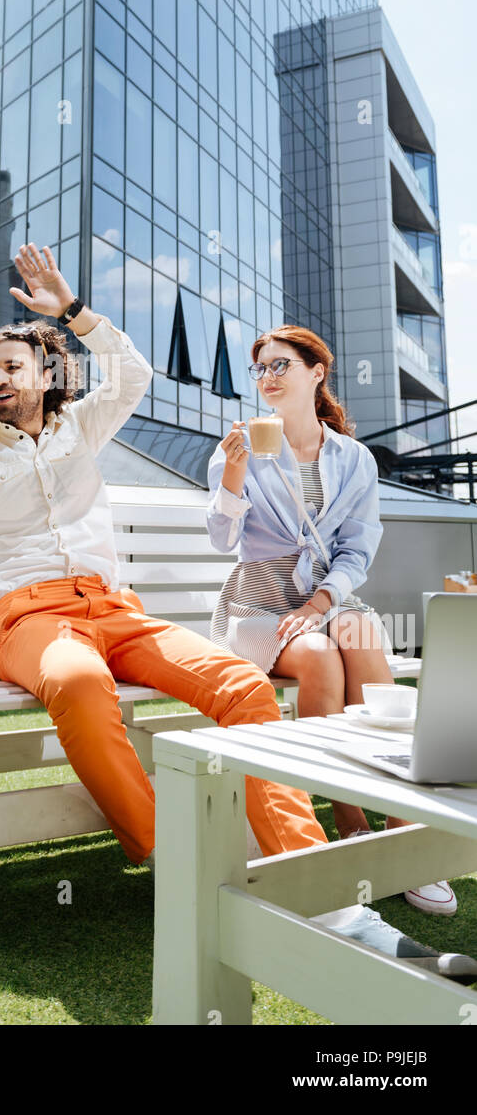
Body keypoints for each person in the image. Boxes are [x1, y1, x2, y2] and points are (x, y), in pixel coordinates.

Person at [0, 246, 476, 978]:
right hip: (29, 619)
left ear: (46, 376)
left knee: (241, 685)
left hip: (116, 610)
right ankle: (174, 857)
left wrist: (72, 310)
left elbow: (134, 373)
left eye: (12, 366)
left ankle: (329, 893)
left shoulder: (82, 426)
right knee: (80, 685)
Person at [207, 324, 456, 917]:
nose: (268, 377)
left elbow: (359, 545)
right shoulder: (238, 445)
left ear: (316, 372)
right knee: (318, 657)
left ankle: (403, 827)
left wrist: (323, 601)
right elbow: (221, 540)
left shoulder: (353, 457)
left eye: (280, 365)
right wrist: (234, 474)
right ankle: (347, 819)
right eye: (261, 368)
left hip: (325, 597)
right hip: (259, 602)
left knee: (362, 634)